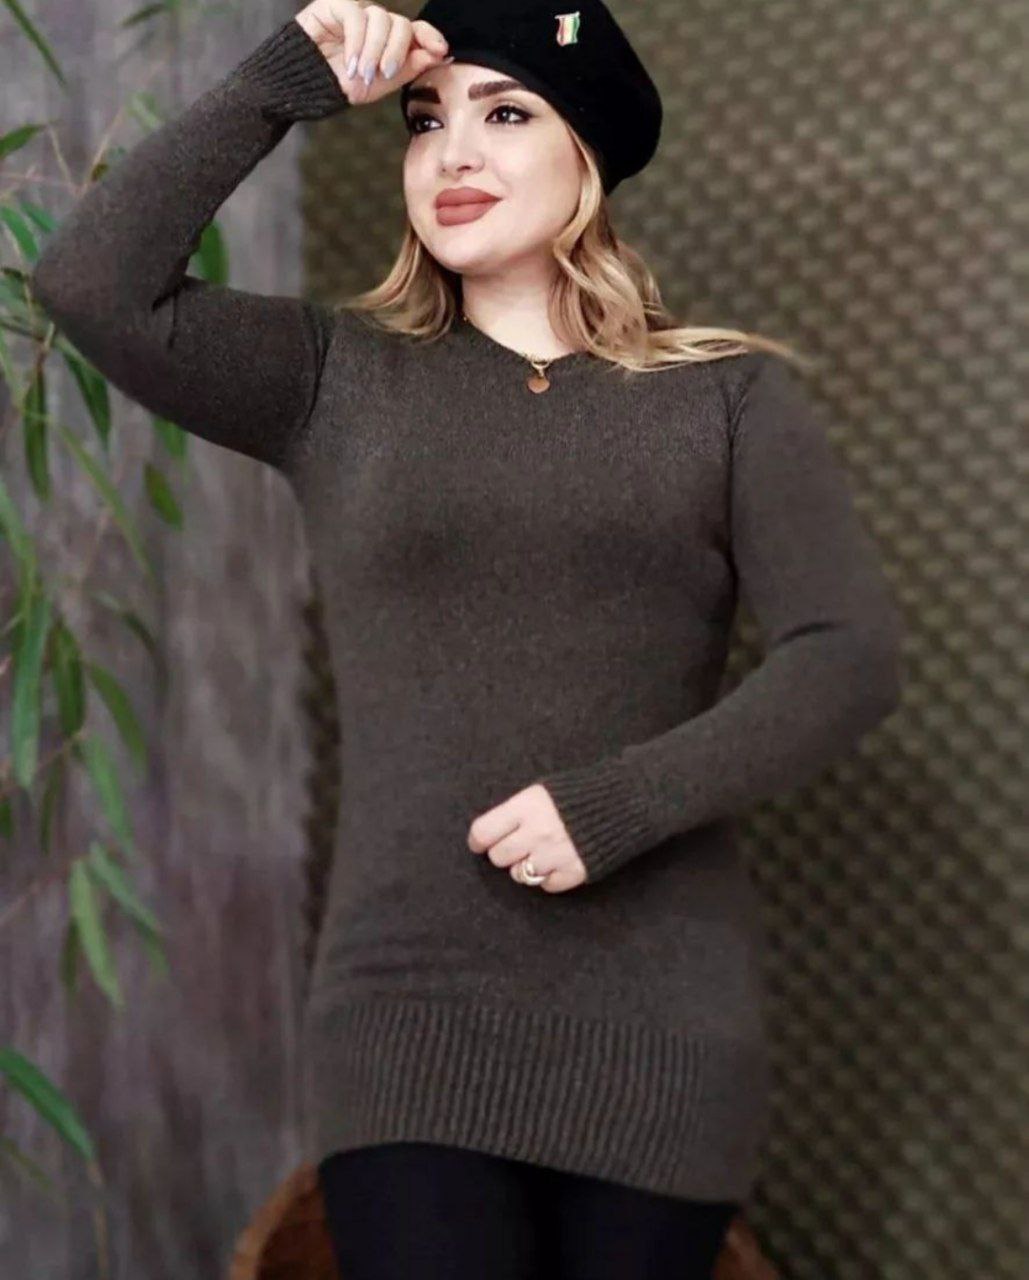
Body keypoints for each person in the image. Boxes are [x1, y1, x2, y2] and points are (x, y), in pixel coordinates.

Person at [29, 0, 904, 1275]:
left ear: (585, 152)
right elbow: (87, 281)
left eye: (505, 113)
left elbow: (846, 653)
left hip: (658, 1013)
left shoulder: (725, 399)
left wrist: (611, 806)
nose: (454, 154)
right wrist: (287, 76)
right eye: (425, 121)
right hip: (407, 1004)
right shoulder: (335, 377)